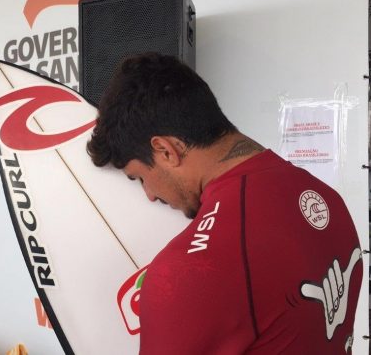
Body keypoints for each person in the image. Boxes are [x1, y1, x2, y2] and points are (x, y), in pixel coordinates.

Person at [86, 52, 363, 354]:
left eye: (140, 177)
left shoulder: (188, 273)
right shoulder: (327, 200)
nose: (150, 195)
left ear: (166, 150)